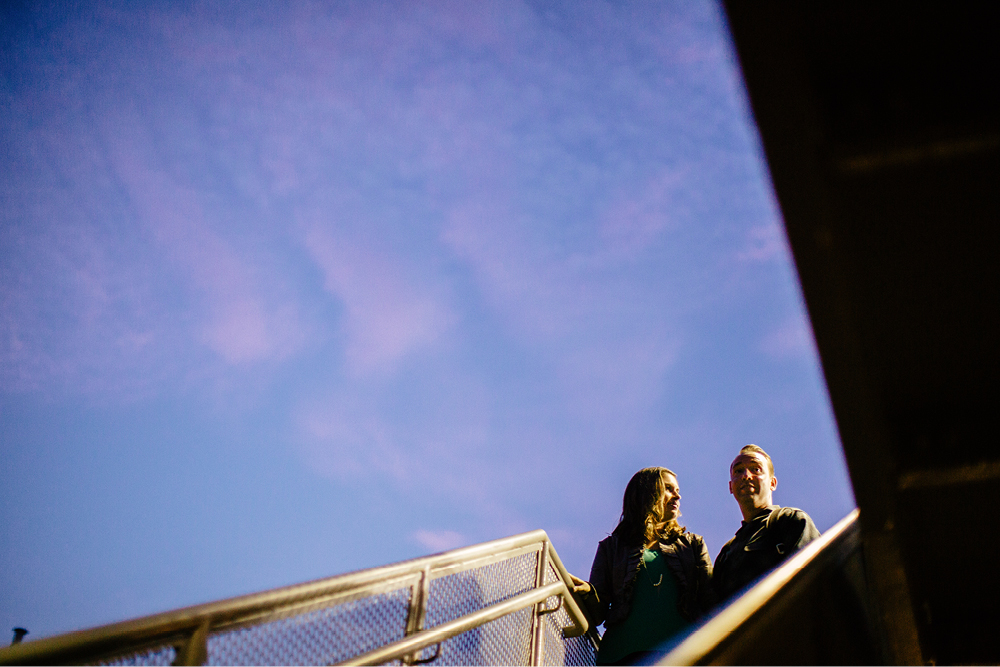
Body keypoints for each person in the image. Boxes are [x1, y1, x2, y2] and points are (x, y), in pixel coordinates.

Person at [571, 467, 712, 665]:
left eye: (678, 491)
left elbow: (711, 603)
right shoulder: (612, 547)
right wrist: (587, 591)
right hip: (622, 655)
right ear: (647, 492)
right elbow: (597, 614)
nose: (677, 497)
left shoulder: (693, 545)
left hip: (681, 654)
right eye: (669, 489)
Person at [712, 444, 820, 604]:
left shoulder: (790, 520)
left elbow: (814, 580)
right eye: (738, 471)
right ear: (731, 487)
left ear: (773, 483)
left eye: (756, 469)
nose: (746, 476)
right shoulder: (726, 554)